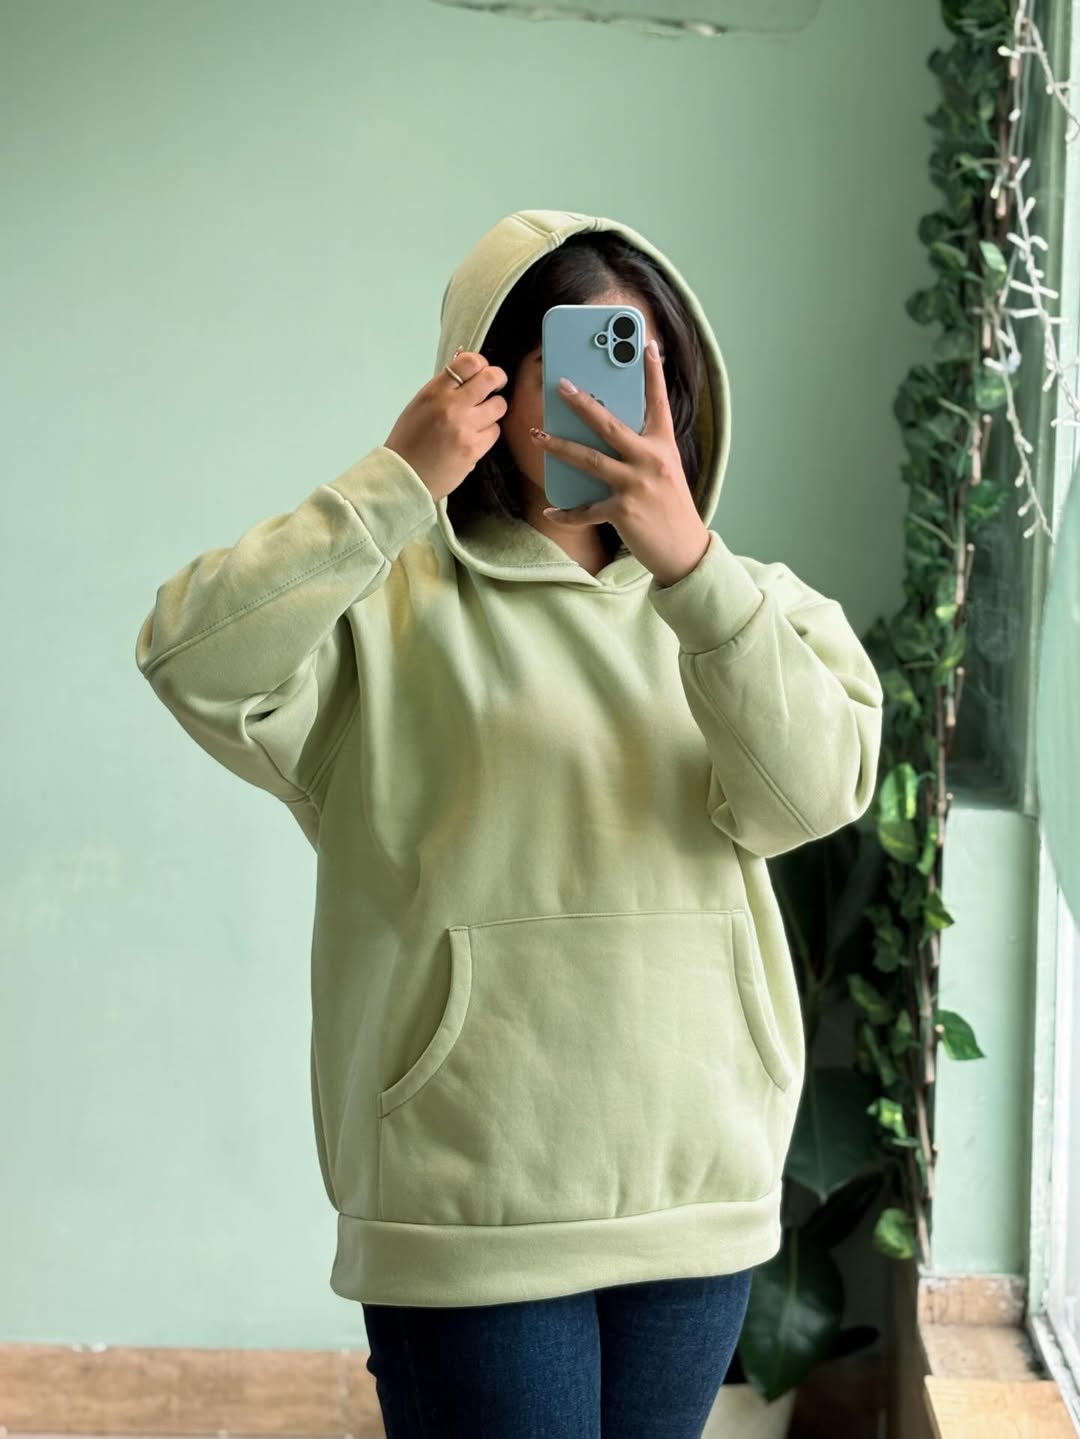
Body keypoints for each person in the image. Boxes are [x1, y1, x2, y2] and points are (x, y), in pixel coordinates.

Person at [135, 207, 884, 1437]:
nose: (624, 399)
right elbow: (190, 659)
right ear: (486, 380)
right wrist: (391, 486)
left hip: (694, 1194)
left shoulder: (756, 611)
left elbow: (809, 795)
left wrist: (695, 574)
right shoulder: (376, 609)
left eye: (651, 364)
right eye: (584, 360)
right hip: (465, 1204)